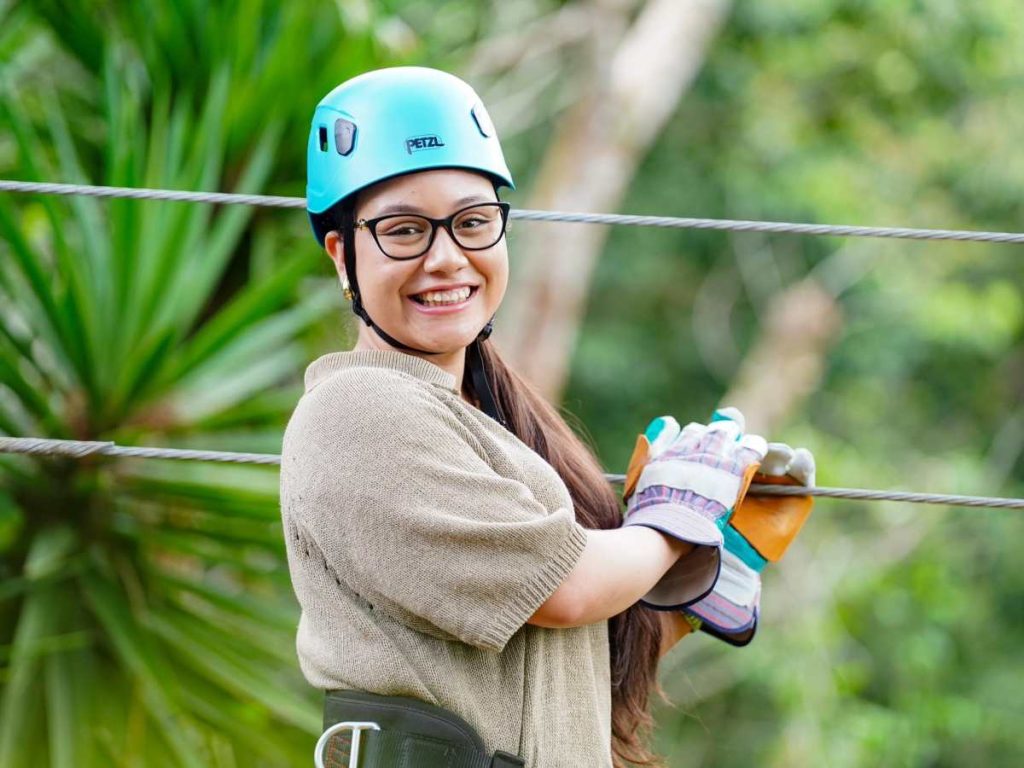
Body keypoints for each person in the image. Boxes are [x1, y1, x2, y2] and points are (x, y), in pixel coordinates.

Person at [279, 66, 815, 768]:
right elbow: (567, 591)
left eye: (472, 222)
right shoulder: (358, 413)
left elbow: (562, 657)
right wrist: (679, 517)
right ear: (343, 255)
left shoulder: (485, 422)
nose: (446, 259)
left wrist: (703, 575)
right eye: (404, 230)